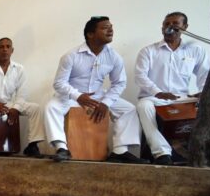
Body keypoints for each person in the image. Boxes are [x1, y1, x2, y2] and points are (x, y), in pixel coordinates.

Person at [44, 16, 146, 163]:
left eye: (111, 26)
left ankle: (120, 151)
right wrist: (78, 96)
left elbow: (120, 83)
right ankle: (62, 148)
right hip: (71, 97)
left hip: (98, 97)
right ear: (90, 34)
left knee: (129, 109)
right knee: (51, 107)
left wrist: (106, 102)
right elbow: (59, 83)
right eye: (105, 27)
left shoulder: (114, 56)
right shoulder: (71, 56)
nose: (110, 29)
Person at [135, 12, 209, 165]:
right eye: (166, 24)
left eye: (175, 24)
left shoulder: (195, 50)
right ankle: (162, 153)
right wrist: (158, 92)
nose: (169, 27)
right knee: (143, 106)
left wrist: (203, 93)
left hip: (181, 97)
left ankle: (202, 152)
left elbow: (205, 74)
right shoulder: (148, 51)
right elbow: (140, 77)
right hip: (154, 97)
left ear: (185, 27)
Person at [0, 37, 44, 157]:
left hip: (9, 104)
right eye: (1, 47)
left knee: (35, 108)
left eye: (8, 47)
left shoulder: (19, 69)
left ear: (12, 50)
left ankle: (32, 145)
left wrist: (16, 108)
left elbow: (22, 92)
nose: (5, 49)